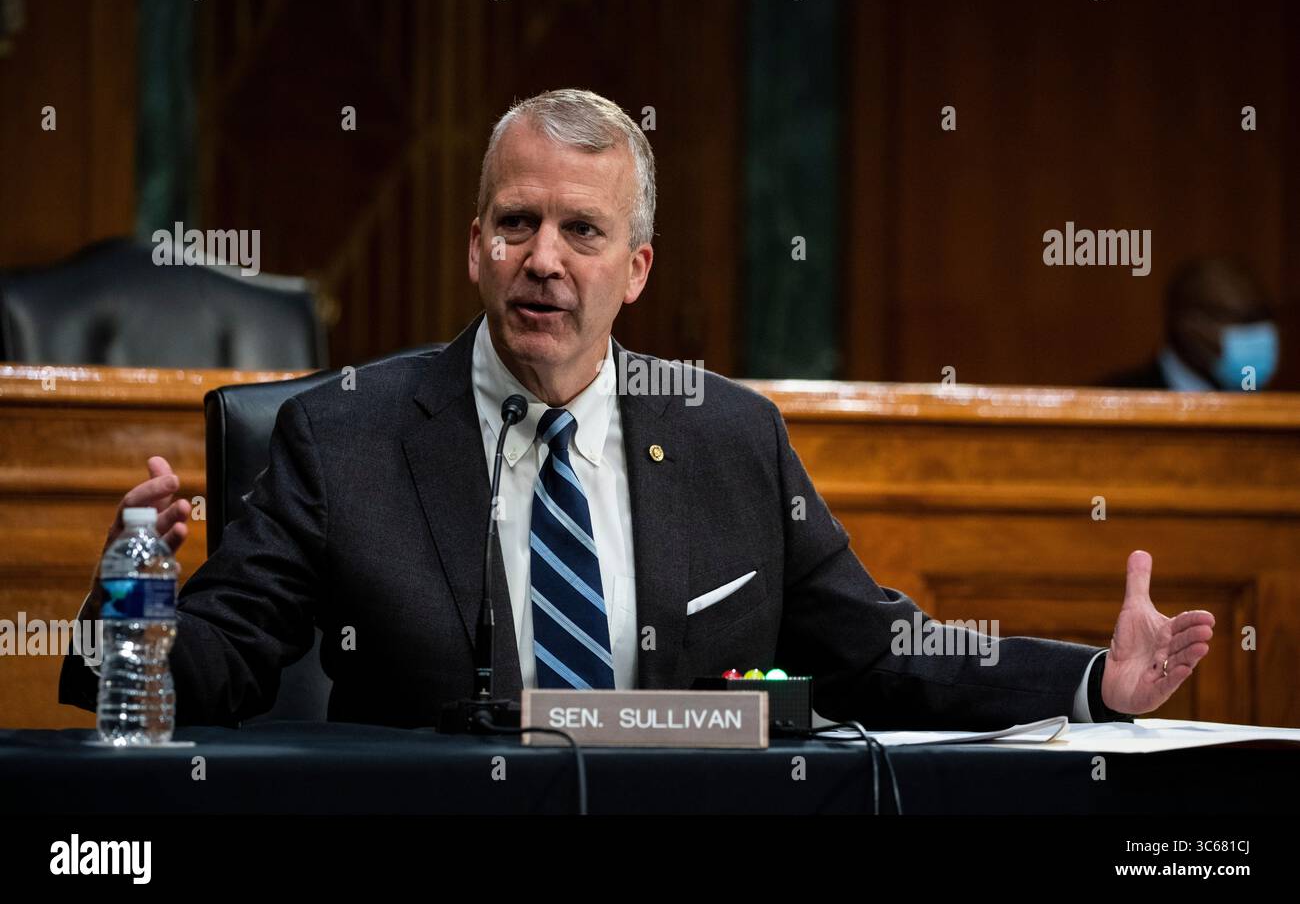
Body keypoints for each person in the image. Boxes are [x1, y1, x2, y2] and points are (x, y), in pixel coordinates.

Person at [60, 89, 1215, 729]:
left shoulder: (731, 437)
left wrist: (1089, 680)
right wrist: (131, 592)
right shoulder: (344, 434)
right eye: (516, 223)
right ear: (475, 249)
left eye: (582, 231)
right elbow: (221, 661)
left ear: (639, 267)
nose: (544, 260)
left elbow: (878, 651)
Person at [1104, 258, 1279, 391]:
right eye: (1237, 319)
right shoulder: (1115, 400)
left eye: (1260, 316)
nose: (1254, 331)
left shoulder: (1283, 405)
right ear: (1188, 325)